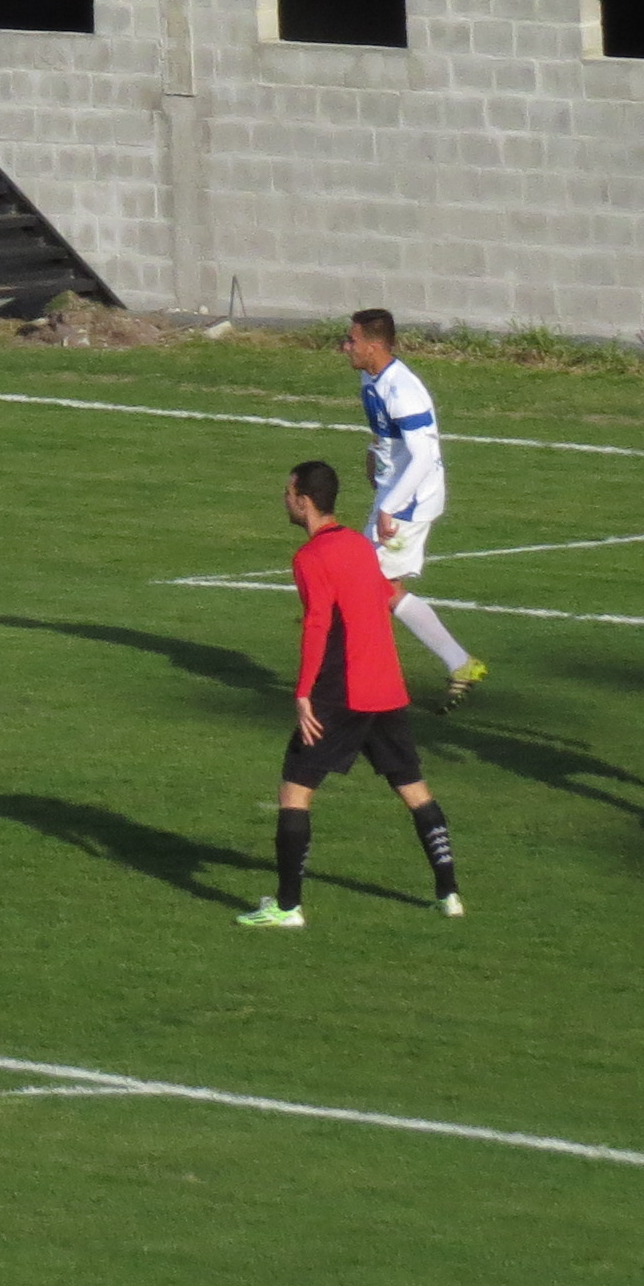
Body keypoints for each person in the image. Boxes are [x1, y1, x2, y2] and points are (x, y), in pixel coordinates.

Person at [237, 457, 461, 927]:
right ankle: (449, 894)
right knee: (414, 789)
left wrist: (303, 693)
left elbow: (318, 624)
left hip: (341, 691)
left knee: (295, 792)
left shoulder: (310, 558)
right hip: (387, 686)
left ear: (302, 498)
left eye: (287, 491)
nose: (285, 499)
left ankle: (287, 906)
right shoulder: (360, 548)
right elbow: (382, 598)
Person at [348, 310, 481, 706]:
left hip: (408, 502)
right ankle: (458, 662)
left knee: (365, 585)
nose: (345, 347)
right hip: (394, 494)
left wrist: (391, 506)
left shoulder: (403, 391)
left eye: (351, 340)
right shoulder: (372, 378)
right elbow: (386, 433)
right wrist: (376, 453)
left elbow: (423, 455)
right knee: (378, 586)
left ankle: (366, 679)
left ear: (374, 345)